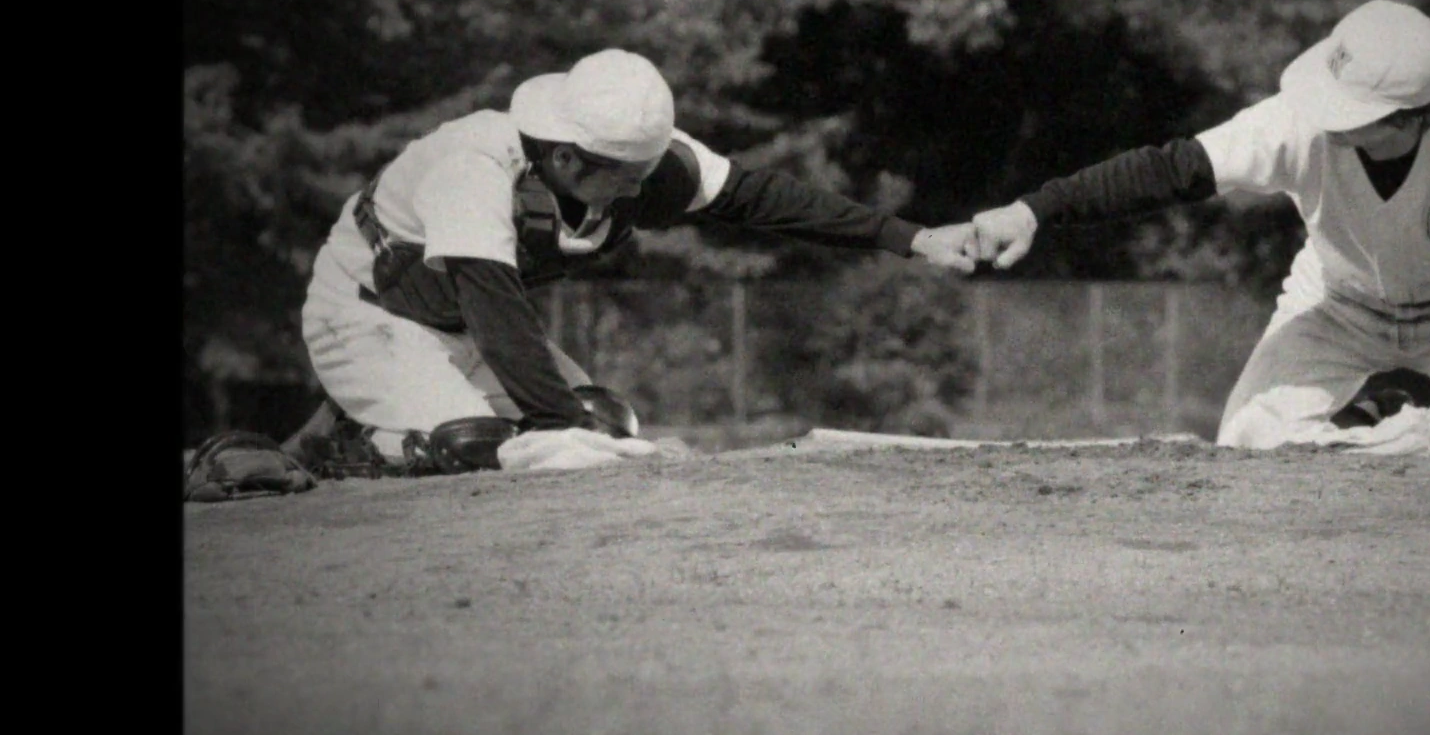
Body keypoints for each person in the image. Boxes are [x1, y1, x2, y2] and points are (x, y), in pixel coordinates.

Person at [282, 48, 978, 475]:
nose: (637, 191)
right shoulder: (474, 166)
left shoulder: (633, 154)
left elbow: (764, 199)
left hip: (460, 328)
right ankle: (348, 444)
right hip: (368, 319)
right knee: (501, 447)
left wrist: (910, 237)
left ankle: (380, 421)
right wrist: (556, 425)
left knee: (607, 427)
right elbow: (495, 310)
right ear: (564, 157)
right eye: (622, 177)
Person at [968, 0, 1430, 465]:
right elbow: (1170, 171)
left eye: (1348, 107)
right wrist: (1032, 211)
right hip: (1338, 308)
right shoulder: (1296, 122)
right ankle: (1385, 425)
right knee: (1246, 443)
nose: (1326, 113)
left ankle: (1383, 431)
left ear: (1407, 120)